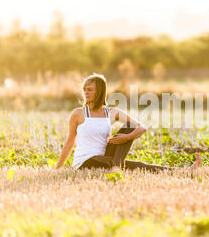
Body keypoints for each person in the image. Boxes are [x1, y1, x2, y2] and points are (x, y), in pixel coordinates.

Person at [54, 73, 201, 172]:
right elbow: (70, 141)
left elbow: (141, 127)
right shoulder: (78, 114)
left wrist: (126, 137)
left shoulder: (110, 113)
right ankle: (116, 167)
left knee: (130, 129)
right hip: (86, 161)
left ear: (99, 92)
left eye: (90, 90)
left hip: (107, 157)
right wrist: (57, 167)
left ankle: (116, 166)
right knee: (133, 165)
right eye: (84, 89)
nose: (86, 92)